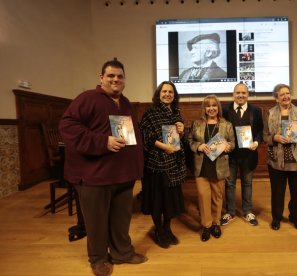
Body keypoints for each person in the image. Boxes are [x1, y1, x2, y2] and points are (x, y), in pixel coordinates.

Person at [59, 58, 147, 276]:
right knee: (96, 222)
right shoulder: (87, 98)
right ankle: (98, 259)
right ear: (101, 78)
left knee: (121, 218)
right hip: (94, 176)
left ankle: (122, 253)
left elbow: (130, 137)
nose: (115, 79)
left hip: (122, 175)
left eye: (119, 76)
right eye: (111, 76)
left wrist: (137, 168)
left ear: (125, 80)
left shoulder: (125, 103)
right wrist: (102, 141)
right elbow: (67, 126)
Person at [139, 81, 187, 249]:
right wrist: (164, 146)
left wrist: (182, 131)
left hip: (174, 163)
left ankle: (167, 228)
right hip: (157, 164)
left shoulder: (177, 112)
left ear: (174, 95)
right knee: (157, 200)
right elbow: (147, 135)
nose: (167, 94)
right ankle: (158, 230)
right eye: (164, 91)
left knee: (170, 200)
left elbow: (179, 139)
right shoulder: (150, 112)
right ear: (159, 94)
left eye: (170, 92)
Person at [263, 83, 297, 232]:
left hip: (296, 159)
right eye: (282, 94)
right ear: (276, 98)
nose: (286, 96)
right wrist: (275, 137)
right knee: (277, 192)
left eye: (288, 93)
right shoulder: (270, 113)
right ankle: (276, 218)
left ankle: (295, 217)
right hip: (276, 161)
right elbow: (265, 136)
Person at [188, 95, 235, 242]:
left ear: (218, 108)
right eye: (208, 106)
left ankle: (216, 223)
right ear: (204, 108)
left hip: (219, 166)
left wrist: (229, 147)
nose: (211, 108)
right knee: (203, 196)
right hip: (201, 165)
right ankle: (206, 225)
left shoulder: (226, 124)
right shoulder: (197, 124)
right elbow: (190, 141)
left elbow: (233, 142)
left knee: (217, 197)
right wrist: (198, 146)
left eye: (214, 105)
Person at [220, 82, 263, 226]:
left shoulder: (256, 111)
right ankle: (230, 212)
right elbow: (220, 131)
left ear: (247, 95)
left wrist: (256, 142)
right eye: (237, 92)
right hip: (230, 155)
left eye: (243, 93)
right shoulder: (225, 110)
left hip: (248, 155)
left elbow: (260, 132)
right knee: (229, 184)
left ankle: (247, 211)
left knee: (247, 184)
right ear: (233, 94)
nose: (240, 95)